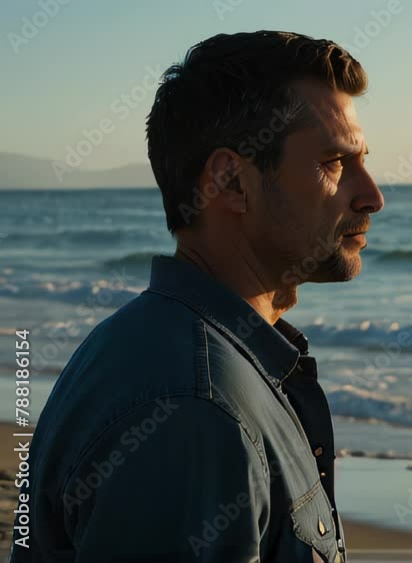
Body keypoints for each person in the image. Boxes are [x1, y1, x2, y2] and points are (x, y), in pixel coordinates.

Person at [12, 30, 383, 563]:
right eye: (334, 162)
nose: (372, 195)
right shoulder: (193, 410)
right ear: (232, 181)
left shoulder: (170, 347)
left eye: (363, 160)